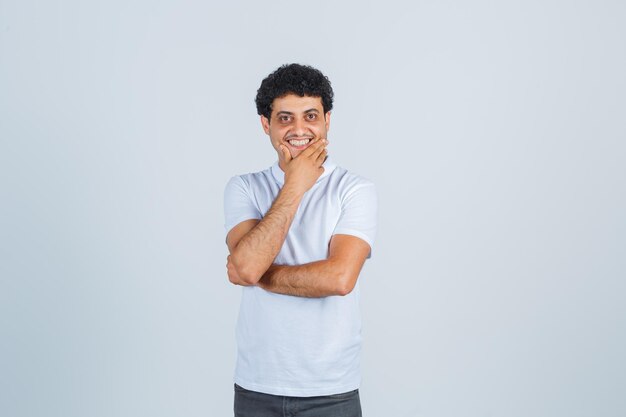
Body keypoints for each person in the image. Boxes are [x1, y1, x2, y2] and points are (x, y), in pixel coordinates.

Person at [224, 63, 377, 417]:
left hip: (331, 391)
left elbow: (339, 279)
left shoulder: (354, 190)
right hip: (256, 386)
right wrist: (295, 184)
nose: (299, 129)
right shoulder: (244, 187)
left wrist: (259, 274)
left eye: (310, 115)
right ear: (266, 125)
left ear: (327, 120)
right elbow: (244, 267)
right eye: (285, 118)